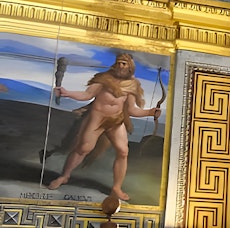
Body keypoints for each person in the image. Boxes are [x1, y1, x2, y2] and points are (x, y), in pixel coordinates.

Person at [48, 53, 161, 200]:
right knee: (83, 148)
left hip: (116, 121)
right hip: (97, 118)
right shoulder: (103, 79)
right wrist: (67, 93)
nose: (121, 66)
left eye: (124, 64)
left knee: (123, 151)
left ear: (130, 67)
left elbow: (132, 110)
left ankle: (116, 188)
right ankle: (64, 176)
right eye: (119, 63)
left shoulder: (132, 86)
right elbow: (86, 95)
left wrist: (150, 112)